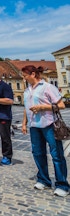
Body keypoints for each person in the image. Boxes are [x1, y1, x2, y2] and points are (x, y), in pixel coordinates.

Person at [21, 65, 69, 197]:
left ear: (33, 74)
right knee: (38, 153)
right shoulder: (27, 90)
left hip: (49, 124)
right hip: (34, 126)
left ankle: (62, 185)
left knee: (56, 154)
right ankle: (43, 180)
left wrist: (42, 107)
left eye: (25, 76)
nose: (24, 78)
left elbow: (61, 105)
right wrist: (24, 123)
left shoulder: (48, 87)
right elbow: (26, 107)